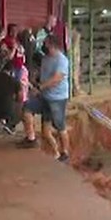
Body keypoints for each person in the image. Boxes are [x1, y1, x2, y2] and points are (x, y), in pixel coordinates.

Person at [19, 35, 71, 163]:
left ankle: (65, 153)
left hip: (57, 99)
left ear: (52, 45)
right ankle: (33, 140)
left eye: (45, 44)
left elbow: (56, 79)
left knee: (60, 126)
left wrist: (40, 88)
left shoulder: (61, 60)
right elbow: (42, 74)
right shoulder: (46, 58)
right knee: (28, 109)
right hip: (45, 97)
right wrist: (35, 81)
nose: (43, 46)